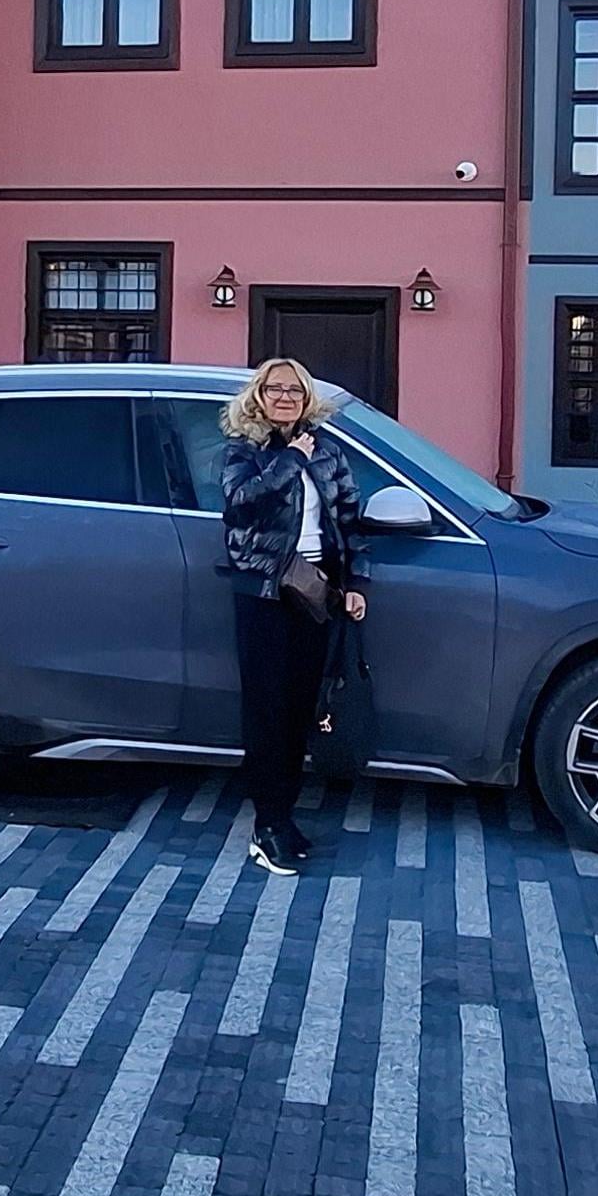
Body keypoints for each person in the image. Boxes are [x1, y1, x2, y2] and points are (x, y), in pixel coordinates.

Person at [218, 357, 367, 875]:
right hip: (263, 593)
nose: (285, 397)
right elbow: (240, 503)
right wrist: (288, 460)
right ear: (258, 396)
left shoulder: (327, 451)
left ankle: (284, 816)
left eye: (295, 390)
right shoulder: (243, 449)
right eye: (275, 389)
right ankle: (266, 825)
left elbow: (349, 517)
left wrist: (355, 583)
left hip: (314, 590)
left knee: (302, 708)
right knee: (267, 710)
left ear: (307, 399)